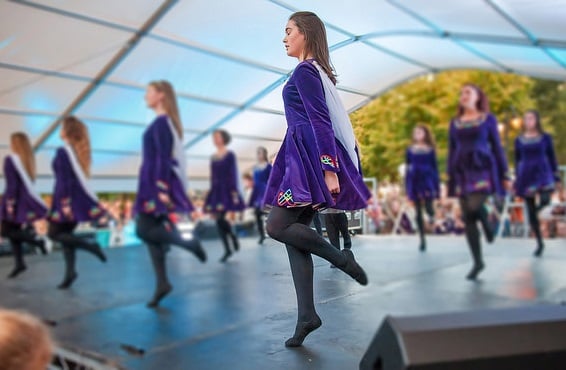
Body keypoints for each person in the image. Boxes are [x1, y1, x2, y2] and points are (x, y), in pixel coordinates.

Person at [264, 11, 371, 347]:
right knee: (295, 236)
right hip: (300, 154)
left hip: (307, 157)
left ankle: (341, 258)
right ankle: (307, 316)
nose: (284, 38)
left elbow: (322, 122)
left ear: (306, 34)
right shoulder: (313, 71)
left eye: (289, 31)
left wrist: (328, 167)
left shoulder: (306, 71)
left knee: (276, 226)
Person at [134, 80, 207, 308]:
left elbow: (164, 159)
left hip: (155, 185)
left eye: (149, 92)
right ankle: (162, 283)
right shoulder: (161, 123)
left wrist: (162, 189)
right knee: (151, 235)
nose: (146, 96)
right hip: (150, 185)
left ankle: (187, 243)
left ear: (161, 95)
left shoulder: (162, 124)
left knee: (143, 230)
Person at [447, 84, 509, 280]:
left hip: (482, 168)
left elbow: (497, 147)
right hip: (462, 171)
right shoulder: (455, 123)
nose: (463, 95)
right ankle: (478, 262)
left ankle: (488, 226)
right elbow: (451, 149)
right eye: (462, 92)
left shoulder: (488, 119)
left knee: (474, 208)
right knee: (468, 218)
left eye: (468, 92)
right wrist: (450, 176)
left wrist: (505, 173)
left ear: (477, 97)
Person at [47, 116, 108, 289]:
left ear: (67, 131)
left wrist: (64, 205)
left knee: (53, 234)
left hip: (64, 201)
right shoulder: (75, 153)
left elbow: (65, 181)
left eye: (61, 127)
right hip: (72, 201)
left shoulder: (63, 152)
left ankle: (90, 246)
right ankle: (70, 273)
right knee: (67, 239)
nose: (59, 130)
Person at [514, 110, 560, 257]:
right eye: (526, 118)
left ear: (537, 120)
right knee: (530, 207)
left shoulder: (545, 137)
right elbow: (517, 158)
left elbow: (552, 156)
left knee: (546, 198)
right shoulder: (519, 140)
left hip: (543, 172)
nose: (528, 121)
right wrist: (517, 175)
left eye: (531, 118)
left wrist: (557, 177)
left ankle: (538, 209)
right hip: (526, 174)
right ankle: (539, 243)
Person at [1, 133, 48, 278]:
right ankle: (19, 263)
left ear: (14, 143)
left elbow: (12, 185)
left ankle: (37, 243)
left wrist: (9, 204)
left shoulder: (10, 160)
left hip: (12, 201)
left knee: (5, 231)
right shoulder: (27, 162)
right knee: (13, 233)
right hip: (21, 203)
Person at [204, 129, 245, 263]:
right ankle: (228, 245)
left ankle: (232, 237)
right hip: (216, 190)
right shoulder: (213, 156)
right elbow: (212, 176)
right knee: (218, 220)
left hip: (226, 189)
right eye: (214, 137)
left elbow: (232, 173)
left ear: (223, 138)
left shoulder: (229, 155)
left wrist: (233, 191)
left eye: (217, 137)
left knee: (221, 218)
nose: (215, 139)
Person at [405, 125, 440, 252]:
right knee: (418, 211)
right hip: (415, 181)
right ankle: (422, 239)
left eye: (420, 132)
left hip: (427, 180)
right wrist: (408, 188)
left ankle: (431, 215)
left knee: (429, 207)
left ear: (425, 134)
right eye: (415, 132)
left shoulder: (430, 150)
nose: (417, 134)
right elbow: (408, 169)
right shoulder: (410, 150)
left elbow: (435, 168)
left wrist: (437, 188)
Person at [248, 146, 272, 244]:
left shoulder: (268, 166)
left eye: (260, 153)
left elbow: (272, 179)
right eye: (258, 153)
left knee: (268, 212)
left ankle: (273, 230)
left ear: (264, 154)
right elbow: (254, 181)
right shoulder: (255, 168)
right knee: (257, 214)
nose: (259, 155)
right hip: (257, 192)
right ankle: (262, 235)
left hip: (265, 191)